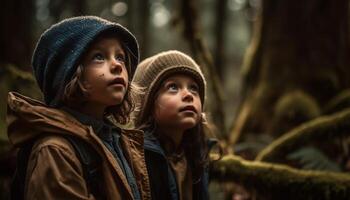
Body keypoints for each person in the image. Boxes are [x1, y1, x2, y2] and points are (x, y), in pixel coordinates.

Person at [7, 16, 150, 200]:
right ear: (69, 73)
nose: (117, 65)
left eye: (120, 57)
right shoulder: (56, 151)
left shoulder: (116, 140)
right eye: (99, 57)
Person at [132, 50, 212, 200]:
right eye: (173, 87)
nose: (188, 95)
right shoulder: (138, 160)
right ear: (147, 104)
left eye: (193, 88)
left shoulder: (197, 155)